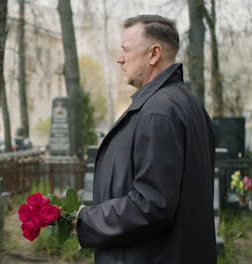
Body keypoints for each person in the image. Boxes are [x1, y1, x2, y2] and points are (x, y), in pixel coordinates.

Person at [72, 15, 216, 264]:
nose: (119, 58)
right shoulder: (186, 103)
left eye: (126, 50)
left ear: (154, 54)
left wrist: (90, 219)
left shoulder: (158, 112)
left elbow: (152, 204)